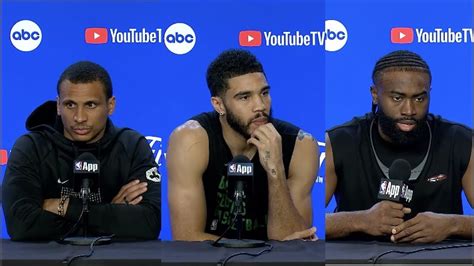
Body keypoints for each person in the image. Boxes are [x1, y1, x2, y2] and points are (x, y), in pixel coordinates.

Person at [167, 49, 318, 241]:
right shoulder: (191, 140)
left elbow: (297, 244)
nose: (260, 106)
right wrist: (258, 253)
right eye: (245, 97)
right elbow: (186, 239)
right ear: (218, 105)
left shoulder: (300, 145)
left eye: (264, 93)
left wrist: (276, 170)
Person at [325, 50, 473, 243]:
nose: (409, 110)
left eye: (419, 98)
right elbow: (306, 223)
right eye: (397, 98)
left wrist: (452, 225)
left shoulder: (460, 140)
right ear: (375, 95)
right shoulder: (339, 142)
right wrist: (361, 220)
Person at [2, 61, 161, 240]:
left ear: (110, 106)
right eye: (70, 105)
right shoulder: (31, 147)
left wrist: (63, 207)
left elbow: (149, 224)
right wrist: (110, 213)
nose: (79, 117)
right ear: (58, 106)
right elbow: (21, 225)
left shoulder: (132, 146)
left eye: (91, 105)